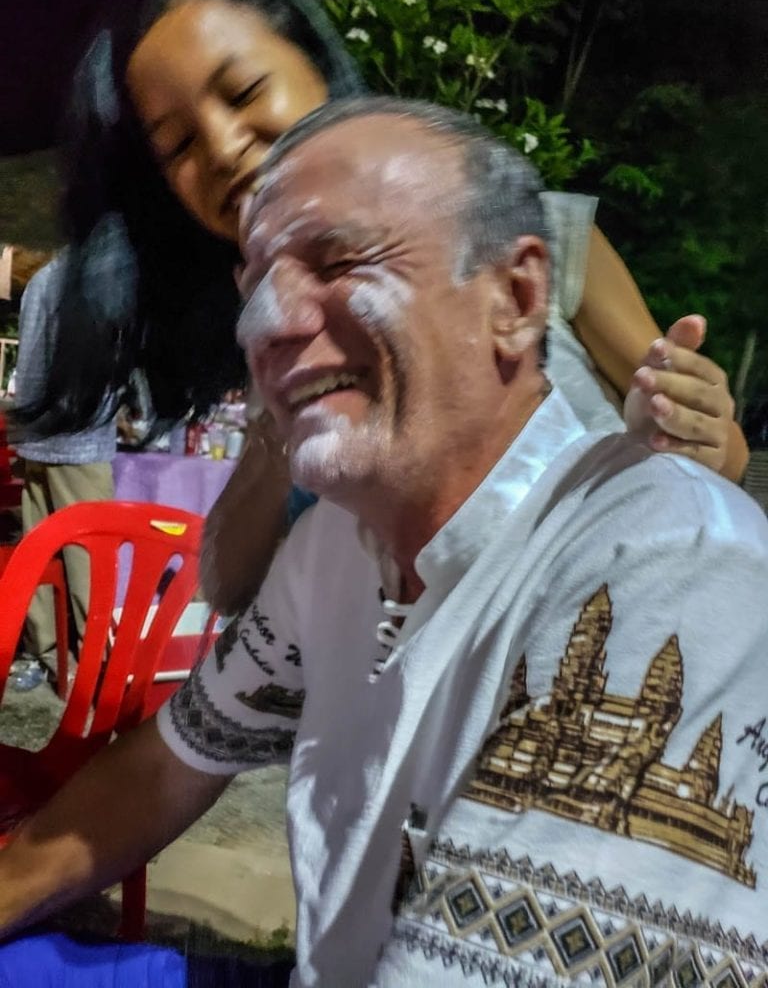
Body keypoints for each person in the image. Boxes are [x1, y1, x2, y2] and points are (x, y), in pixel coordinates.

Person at [1, 98, 766, 987]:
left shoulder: (665, 557)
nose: (268, 325)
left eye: (340, 260)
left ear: (517, 298)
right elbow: (174, 762)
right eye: (255, 283)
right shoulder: (340, 544)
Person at [13, 0, 747, 619]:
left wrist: (699, 433)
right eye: (176, 145)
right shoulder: (275, 341)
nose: (223, 145)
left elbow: (719, 454)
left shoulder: (541, 236)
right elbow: (230, 587)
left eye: (243, 92)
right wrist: (280, 422)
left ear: (319, 72)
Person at [12, 255, 116, 676]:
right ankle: (96, 664)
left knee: (39, 550)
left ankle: (50, 654)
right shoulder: (103, 275)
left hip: (36, 434)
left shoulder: (43, 277)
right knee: (90, 558)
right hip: (80, 438)